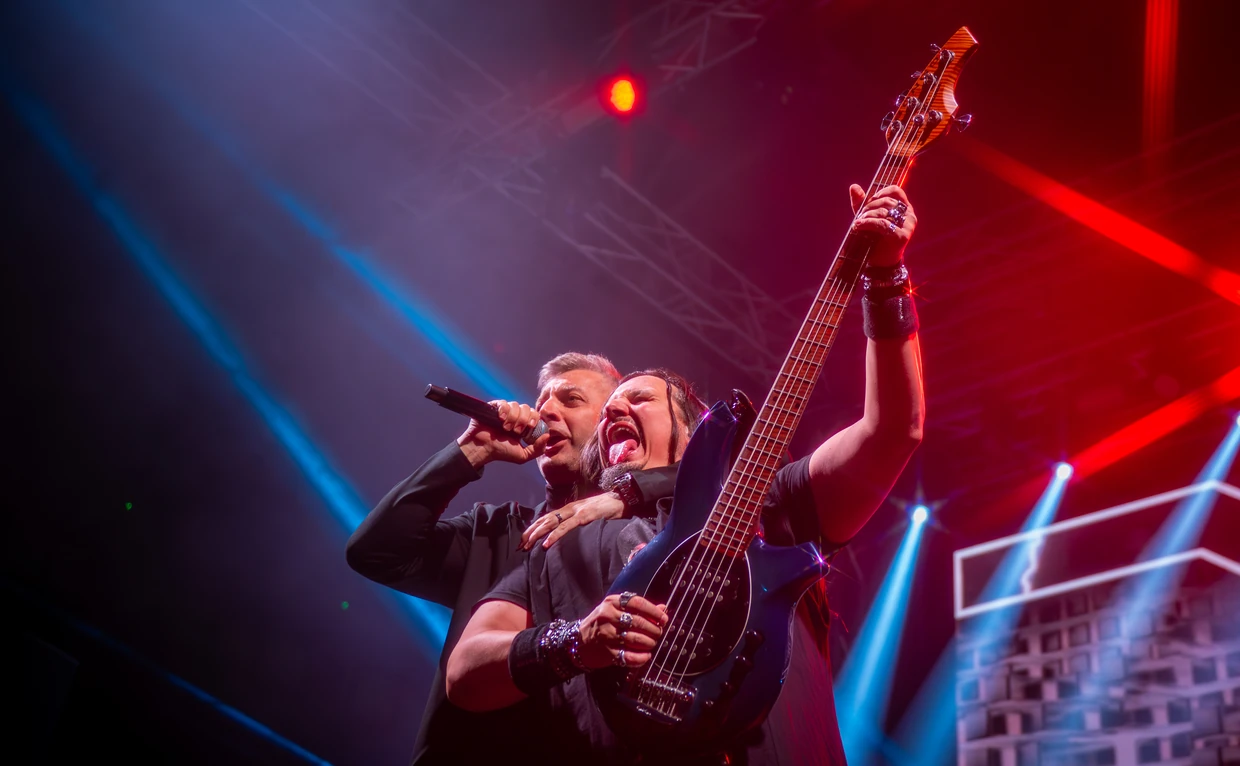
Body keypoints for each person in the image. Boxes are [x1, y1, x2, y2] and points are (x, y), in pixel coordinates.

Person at [445, 184, 925, 764]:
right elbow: (466, 672)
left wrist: (885, 277)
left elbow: (893, 430)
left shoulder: (761, 501)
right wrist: (575, 641)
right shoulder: (559, 543)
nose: (615, 411)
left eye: (640, 398)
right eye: (608, 409)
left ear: (696, 427)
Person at [346, 352, 678, 764]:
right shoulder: (497, 531)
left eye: (571, 400)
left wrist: (630, 493)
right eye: (542, 403)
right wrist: (472, 451)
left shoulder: (661, 534)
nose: (546, 412)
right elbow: (377, 552)